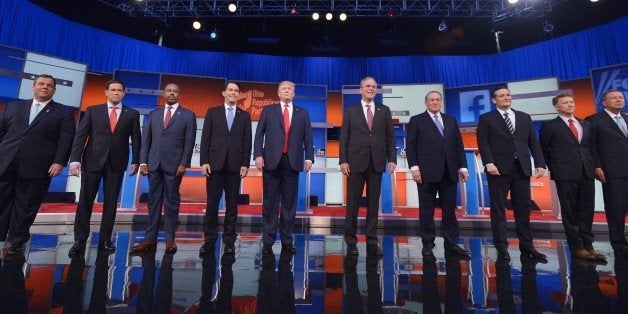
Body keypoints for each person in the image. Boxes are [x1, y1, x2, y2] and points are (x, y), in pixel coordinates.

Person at [0, 74, 75, 255]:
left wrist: (59, 162)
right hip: (6, 163)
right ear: (33, 87)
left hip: (38, 166)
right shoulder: (14, 106)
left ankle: (16, 240)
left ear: (54, 90)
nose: (44, 87)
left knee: (26, 205)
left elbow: (66, 139)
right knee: (2, 202)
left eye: (49, 85)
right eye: (41, 84)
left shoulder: (63, 112)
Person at [68, 79, 141, 256]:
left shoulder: (132, 114)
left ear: (124, 93)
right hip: (92, 161)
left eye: (119, 90)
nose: (116, 93)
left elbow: (137, 139)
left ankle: (106, 239)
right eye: (113, 90)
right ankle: (79, 239)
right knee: (85, 201)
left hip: (116, 163)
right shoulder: (93, 110)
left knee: (110, 204)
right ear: (106, 92)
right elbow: (81, 135)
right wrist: (75, 159)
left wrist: (136, 161)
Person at [476, 86, 547, 262]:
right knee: (499, 208)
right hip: (498, 169)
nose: (506, 98)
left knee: (523, 208)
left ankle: (527, 245)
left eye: (508, 95)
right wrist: (489, 162)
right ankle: (501, 246)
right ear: (494, 100)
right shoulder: (486, 118)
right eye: (501, 96)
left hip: (521, 167)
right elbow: (483, 142)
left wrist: (540, 163)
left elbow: (533, 142)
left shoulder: (524, 117)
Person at [130, 84, 196, 254]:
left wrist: (183, 163)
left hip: (174, 167)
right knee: (153, 203)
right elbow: (146, 141)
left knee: (171, 204)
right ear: (164, 94)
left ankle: (169, 240)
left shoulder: (188, 115)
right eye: (169, 91)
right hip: (153, 165)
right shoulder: (154, 114)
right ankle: (149, 239)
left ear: (179, 94)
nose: (172, 93)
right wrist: (143, 162)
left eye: (175, 91)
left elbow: (189, 143)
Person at [539, 92, 605, 261]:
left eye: (571, 102)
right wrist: (555, 168)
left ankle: (588, 245)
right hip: (565, 174)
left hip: (586, 172)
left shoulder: (585, 124)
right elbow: (544, 150)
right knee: (570, 213)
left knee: (586, 210)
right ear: (556, 106)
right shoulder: (550, 126)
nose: (570, 104)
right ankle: (577, 247)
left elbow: (591, 148)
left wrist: (595, 166)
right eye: (565, 102)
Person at [406, 91, 470, 260]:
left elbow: (458, 145)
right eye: (431, 100)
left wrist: (463, 167)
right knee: (426, 210)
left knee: (449, 209)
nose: (435, 102)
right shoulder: (417, 120)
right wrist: (414, 168)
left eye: (437, 100)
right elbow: (411, 146)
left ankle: (452, 242)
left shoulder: (451, 120)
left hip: (449, 172)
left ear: (441, 102)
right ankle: (428, 243)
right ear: (426, 102)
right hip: (426, 173)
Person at [254, 80, 313, 255]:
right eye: (283, 89)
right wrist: (258, 155)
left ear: (294, 94)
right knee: (270, 203)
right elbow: (259, 134)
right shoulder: (268, 110)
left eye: (290, 89)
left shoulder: (302, 113)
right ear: (278, 93)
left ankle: (287, 240)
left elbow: (308, 136)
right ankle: (268, 241)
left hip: (292, 161)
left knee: (289, 204)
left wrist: (309, 157)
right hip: (271, 160)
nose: (287, 91)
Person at [340, 76, 396, 257]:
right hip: (355, 162)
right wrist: (343, 160)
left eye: (373, 86)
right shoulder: (351, 111)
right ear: (361, 89)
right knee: (353, 204)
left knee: (373, 205)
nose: (371, 89)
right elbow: (344, 138)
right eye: (367, 86)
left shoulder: (384, 110)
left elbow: (390, 137)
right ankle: (351, 241)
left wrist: (392, 159)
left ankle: (372, 241)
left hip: (377, 162)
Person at [199, 82, 251, 255]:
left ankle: (229, 241)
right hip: (214, 165)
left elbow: (247, 142)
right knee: (212, 205)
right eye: (230, 90)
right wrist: (204, 161)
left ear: (239, 95)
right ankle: (209, 241)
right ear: (224, 93)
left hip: (235, 166)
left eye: (236, 91)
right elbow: (205, 138)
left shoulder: (245, 116)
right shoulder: (212, 112)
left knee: (232, 206)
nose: (233, 93)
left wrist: (245, 164)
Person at [586, 88, 628, 258]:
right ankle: (618, 243)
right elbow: (591, 146)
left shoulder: (626, 118)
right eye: (614, 98)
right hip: (612, 171)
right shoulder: (594, 120)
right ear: (604, 102)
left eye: (621, 97)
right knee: (616, 207)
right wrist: (597, 165)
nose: (619, 99)